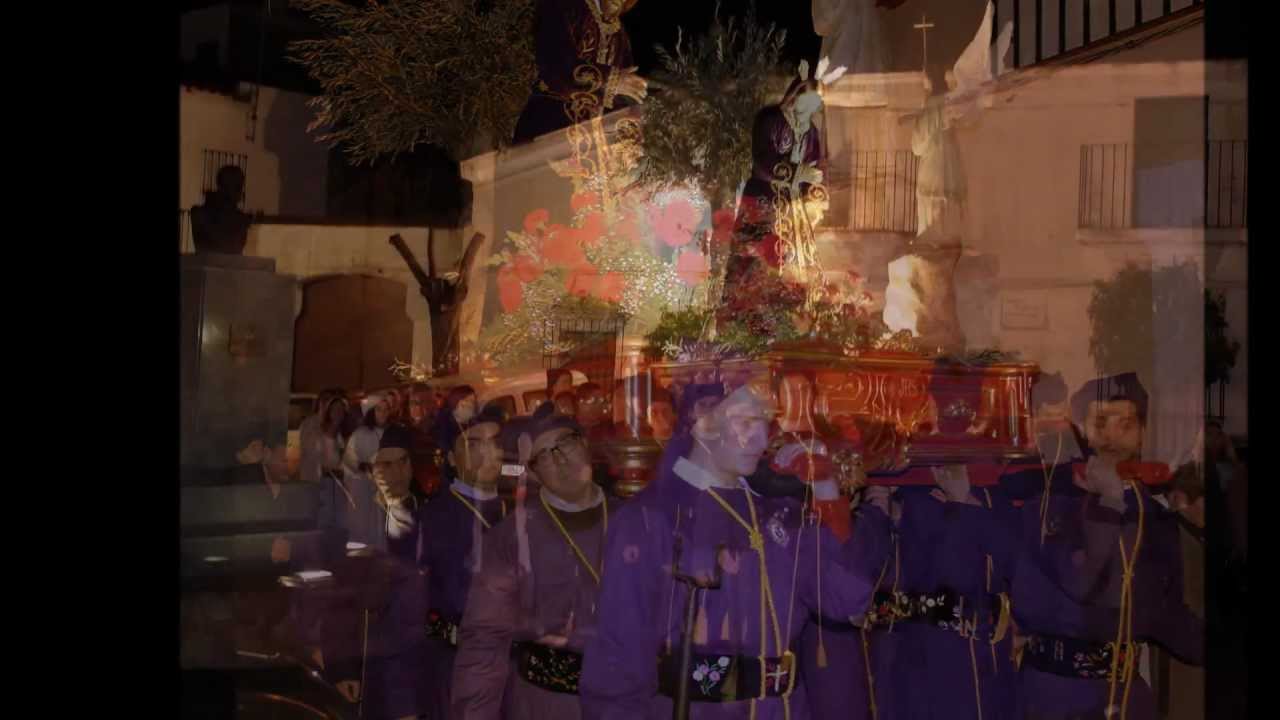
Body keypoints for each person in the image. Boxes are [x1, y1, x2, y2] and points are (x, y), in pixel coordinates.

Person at [580, 380, 894, 719]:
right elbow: (619, 653)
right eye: (746, 421)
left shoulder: (779, 512)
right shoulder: (650, 516)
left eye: (765, 421)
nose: (761, 439)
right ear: (702, 421)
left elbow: (846, 598)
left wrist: (825, 486)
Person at [997, 374, 1203, 720]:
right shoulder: (1050, 496)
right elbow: (1077, 581)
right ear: (1083, 429)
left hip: (1125, 696)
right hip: (1053, 692)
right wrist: (1108, 505)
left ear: (1142, 433)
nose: (1112, 436)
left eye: (1127, 424)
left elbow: (1168, 613)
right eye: (1101, 423)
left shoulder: (1154, 517)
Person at [452, 403, 620, 719]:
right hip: (545, 704)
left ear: (585, 444)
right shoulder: (511, 537)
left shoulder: (636, 520)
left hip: (628, 703)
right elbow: (485, 641)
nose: (559, 459)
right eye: (544, 455)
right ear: (534, 471)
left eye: (565, 443)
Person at [399, 404, 511, 717]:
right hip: (452, 667)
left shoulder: (517, 511)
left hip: (511, 670)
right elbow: (404, 611)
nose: (489, 452)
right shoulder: (429, 520)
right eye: (474, 444)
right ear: (450, 458)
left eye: (495, 442)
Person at [322, 425, 432, 720]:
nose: (395, 471)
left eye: (402, 461)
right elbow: (340, 598)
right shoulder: (359, 522)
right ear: (372, 470)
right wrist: (342, 666)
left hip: (423, 658)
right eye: (386, 463)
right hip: (373, 654)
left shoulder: (430, 514)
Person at [341, 393, 393, 549]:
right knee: (363, 527)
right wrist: (364, 466)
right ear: (371, 412)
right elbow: (349, 461)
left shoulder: (392, 432)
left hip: (385, 490)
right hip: (363, 490)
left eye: (386, 409)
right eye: (379, 409)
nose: (383, 413)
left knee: (381, 528)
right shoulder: (360, 434)